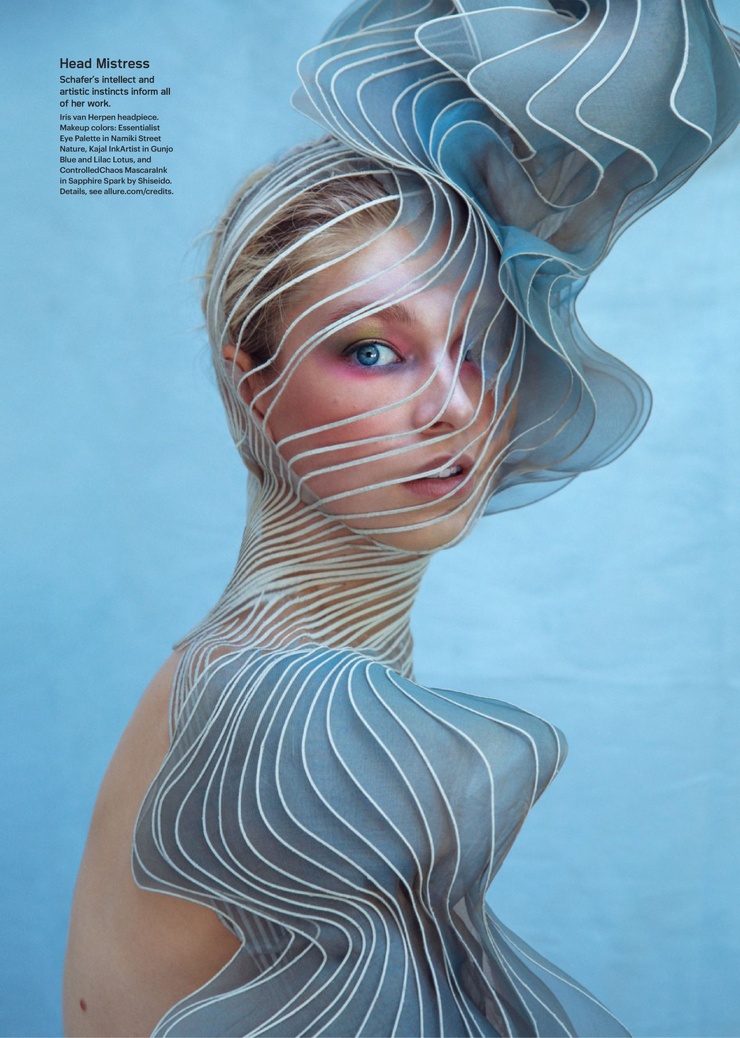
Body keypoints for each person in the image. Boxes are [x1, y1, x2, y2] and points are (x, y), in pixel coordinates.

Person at [63, 2, 739, 1036]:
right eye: (374, 350)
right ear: (252, 381)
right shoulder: (301, 719)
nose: (457, 406)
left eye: (485, 343)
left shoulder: (215, 668)